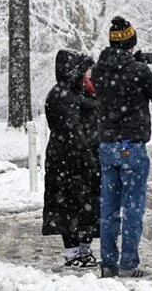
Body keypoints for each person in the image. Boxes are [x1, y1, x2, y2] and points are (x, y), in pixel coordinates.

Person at [93, 16, 152, 279]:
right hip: (132, 145)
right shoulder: (139, 71)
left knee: (109, 207)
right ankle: (128, 263)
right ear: (131, 42)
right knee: (133, 206)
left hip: (106, 145)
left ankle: (107, 263)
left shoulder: (98, 70)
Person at [42, 50, 100, 268]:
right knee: (69, 208)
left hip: (80, 161)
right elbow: (73, 133)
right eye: (86, 70)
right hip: (69, 162)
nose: (89, 74)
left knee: (86, 206)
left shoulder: (79, 93)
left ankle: (84, 252)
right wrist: (89, 163)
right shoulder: (62, 96)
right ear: (74, 71)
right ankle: (73, 254)